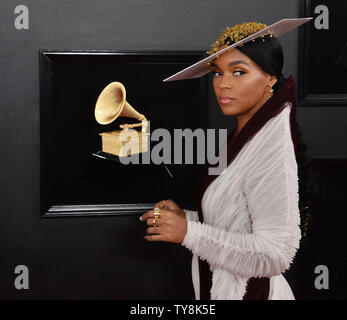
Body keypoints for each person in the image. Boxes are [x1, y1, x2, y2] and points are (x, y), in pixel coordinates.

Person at [139, 19, 314, 300]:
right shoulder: (245, 135)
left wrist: (189, 232)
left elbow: (275, 255)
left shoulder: (271, 145)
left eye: (239, 72)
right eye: (218, 73)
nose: (223, 84)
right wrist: (188, 219)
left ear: (269, 77)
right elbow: (239, 220)